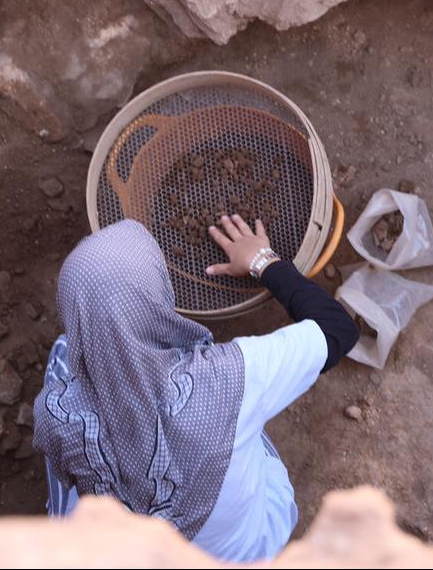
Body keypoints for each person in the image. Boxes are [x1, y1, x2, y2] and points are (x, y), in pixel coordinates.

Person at [33, 214, 359, 562]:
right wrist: (261, 259)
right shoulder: (226, 380)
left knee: (63, 353)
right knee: (249, 408)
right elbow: (338, 328)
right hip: (247, 553)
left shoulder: (55, 414)